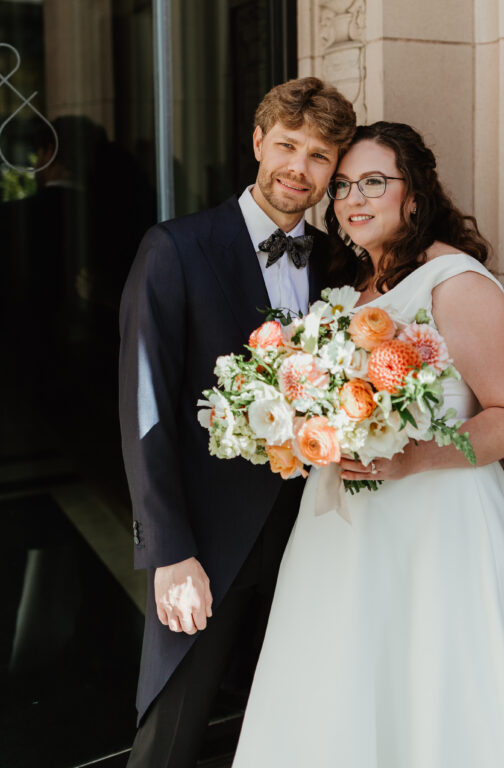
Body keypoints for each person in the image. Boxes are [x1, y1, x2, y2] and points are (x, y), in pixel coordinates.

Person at [232, 122, 504, 768]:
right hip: (344, 533)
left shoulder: (453, 281)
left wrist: (410, 458)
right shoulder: (353, 289)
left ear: (414, 193)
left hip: (440, 530)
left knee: (435, 695)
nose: (353, 198)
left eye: (374, 182)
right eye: (344, 185)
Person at [118, 77, 357, 768]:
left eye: (318, 156)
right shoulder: (175, 248)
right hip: (208, 542)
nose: (298, 168)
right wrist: (168, 549)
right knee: (173, 733)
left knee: (287, 728)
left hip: (310, 538)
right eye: (286, 145)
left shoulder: (340, 265)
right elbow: (146, 407)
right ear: (257, 142)